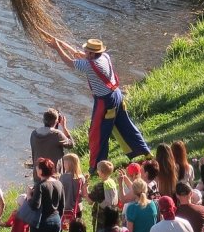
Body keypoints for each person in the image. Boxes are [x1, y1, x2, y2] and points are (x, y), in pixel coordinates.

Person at [46, 37, 150, 172]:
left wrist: (57, 47)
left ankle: (97, 166)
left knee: (98, 133)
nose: (84, 51)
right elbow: (86, 59)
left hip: (105, 101)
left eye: (87, 51)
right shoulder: (104, 57)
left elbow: (69, 63)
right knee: (126, 125)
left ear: (92, 54)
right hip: (117, 95)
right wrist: (79, 53)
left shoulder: (88, 65)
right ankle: (144, 152)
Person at [27, 157, 65, 232]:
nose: (36, 169)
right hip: (56, 220)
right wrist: (59, 219)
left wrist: (29, 196)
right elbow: (62, 205)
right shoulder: (59, 183)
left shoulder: (41, 185)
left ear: (41, 171)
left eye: (37, 167)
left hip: (41, 223)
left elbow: (35, 205)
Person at [30, 108, 74, 181]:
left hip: (38, 174)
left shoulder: (34, 134)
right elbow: (71, 144)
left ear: (43, 120)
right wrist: (64, 127)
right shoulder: (57, 134)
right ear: (56, 121)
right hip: (53, 176)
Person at [83, 160, 117, 232]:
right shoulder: (112, 182)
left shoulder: (99, 186)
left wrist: (85, 189)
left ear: (101, 172)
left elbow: (90, 201)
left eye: (98, 170)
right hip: (112, 215)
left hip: (101, 217)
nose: (97, 171)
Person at [60, 153, 86, 221]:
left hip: (65, 208)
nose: (64, 165)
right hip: (77, 208)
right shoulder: (81, 177)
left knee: (64, 227)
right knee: (76, 228)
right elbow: (84, 194)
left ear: (69, 164)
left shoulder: (62, 177)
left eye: (65, 163)